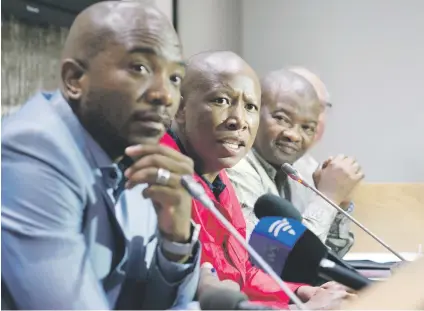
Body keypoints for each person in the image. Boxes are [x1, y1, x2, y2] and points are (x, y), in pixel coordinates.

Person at [1, 1, 201, 309]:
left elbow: (150, 303)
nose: (165, 94)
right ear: (74, 79)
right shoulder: (32, 149)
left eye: (175, 77)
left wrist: (176, 241)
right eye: (140, 68)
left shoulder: (135, 152)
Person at [161, 50, 355, 309]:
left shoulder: (216, 175)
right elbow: (198, 295)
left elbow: (241, 273)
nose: (238, 120)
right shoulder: (164, 174)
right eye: (220, 100)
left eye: (249, 106)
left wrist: (299, 292)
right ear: (181, 108)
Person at [227, 69, 364, 257]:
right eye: (281, 119)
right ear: (252, 111)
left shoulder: (297, 169)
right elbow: (281, 260)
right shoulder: (235, 167)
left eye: (307, 128)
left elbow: (324, 262)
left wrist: (340, 204)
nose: (293, 135)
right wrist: (329, 198)